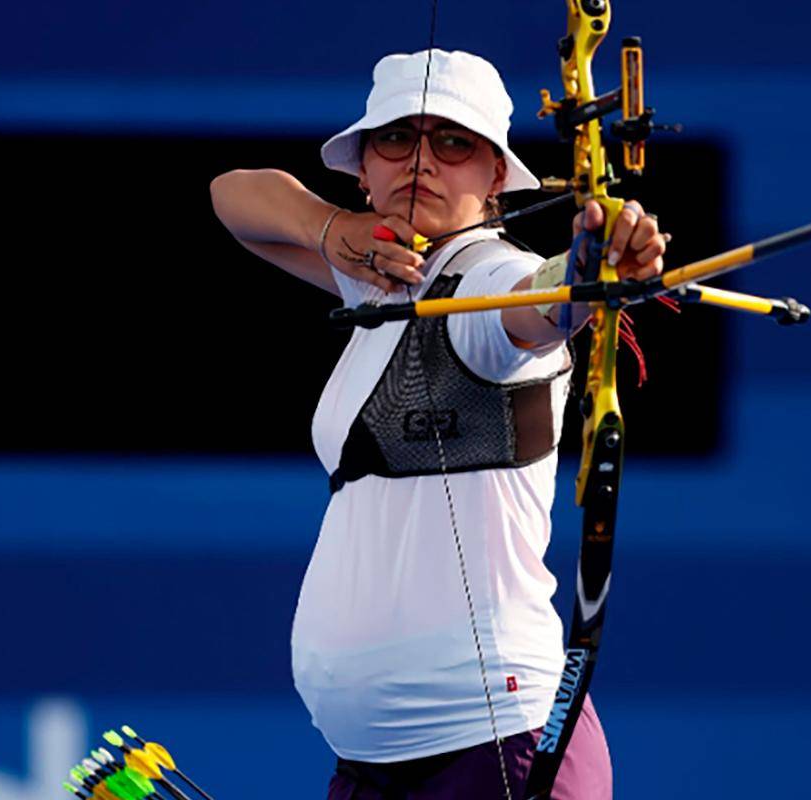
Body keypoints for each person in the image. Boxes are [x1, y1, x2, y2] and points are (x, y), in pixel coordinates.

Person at [210, 48, 666, 800]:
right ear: (363, 165)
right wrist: (332, 230)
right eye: (397, 138)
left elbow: (539, 300)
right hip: (374, 770)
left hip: (495, 755)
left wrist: (591, 263)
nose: (422, 159)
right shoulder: (382, 278)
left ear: (495, 175)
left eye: (454, 143)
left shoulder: (482, 284)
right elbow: (232, 196)